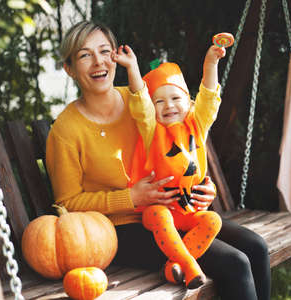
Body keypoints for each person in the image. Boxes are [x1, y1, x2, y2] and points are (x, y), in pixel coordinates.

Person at [46, 20, 271, 300]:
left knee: (256, 246)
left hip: (176, 210)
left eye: (105, 51)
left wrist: (203, 184)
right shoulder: (66, 130)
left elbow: (190, 134)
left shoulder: (144, 97)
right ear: (69, 68)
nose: (98, 62)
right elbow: (66, 204)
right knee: (234, 263)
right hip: (121, 228)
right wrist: (130, 197)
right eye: (84, 55)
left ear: (116, 56)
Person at [128, 45, 227, 289]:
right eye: (158, 101)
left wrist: (210, 65)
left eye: (175, 98)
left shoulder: (197, 126)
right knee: (158, 214)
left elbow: (209, 98)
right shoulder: (152, 131)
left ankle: (174, 266)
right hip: (160, 211)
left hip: (189, 212)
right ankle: (190, 266)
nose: (168, 106)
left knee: (213, 220)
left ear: (189, 101)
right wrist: (132, 68)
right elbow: (140, 103)